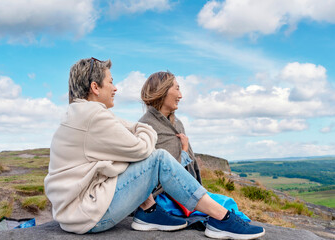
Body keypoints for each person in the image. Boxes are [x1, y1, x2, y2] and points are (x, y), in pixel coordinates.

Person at [44, 58, 265, 239]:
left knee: (134, 157)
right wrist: (144, 130)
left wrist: (137, 131)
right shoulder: (93, 116)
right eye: (110, 82)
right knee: (157, 158)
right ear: (94, 87)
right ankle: (221, 218)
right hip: (87, 215)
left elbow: (128, 135)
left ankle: (148, 212)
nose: (115, 87)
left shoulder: (80, 114)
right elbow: (140, 149)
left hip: (76, 212)